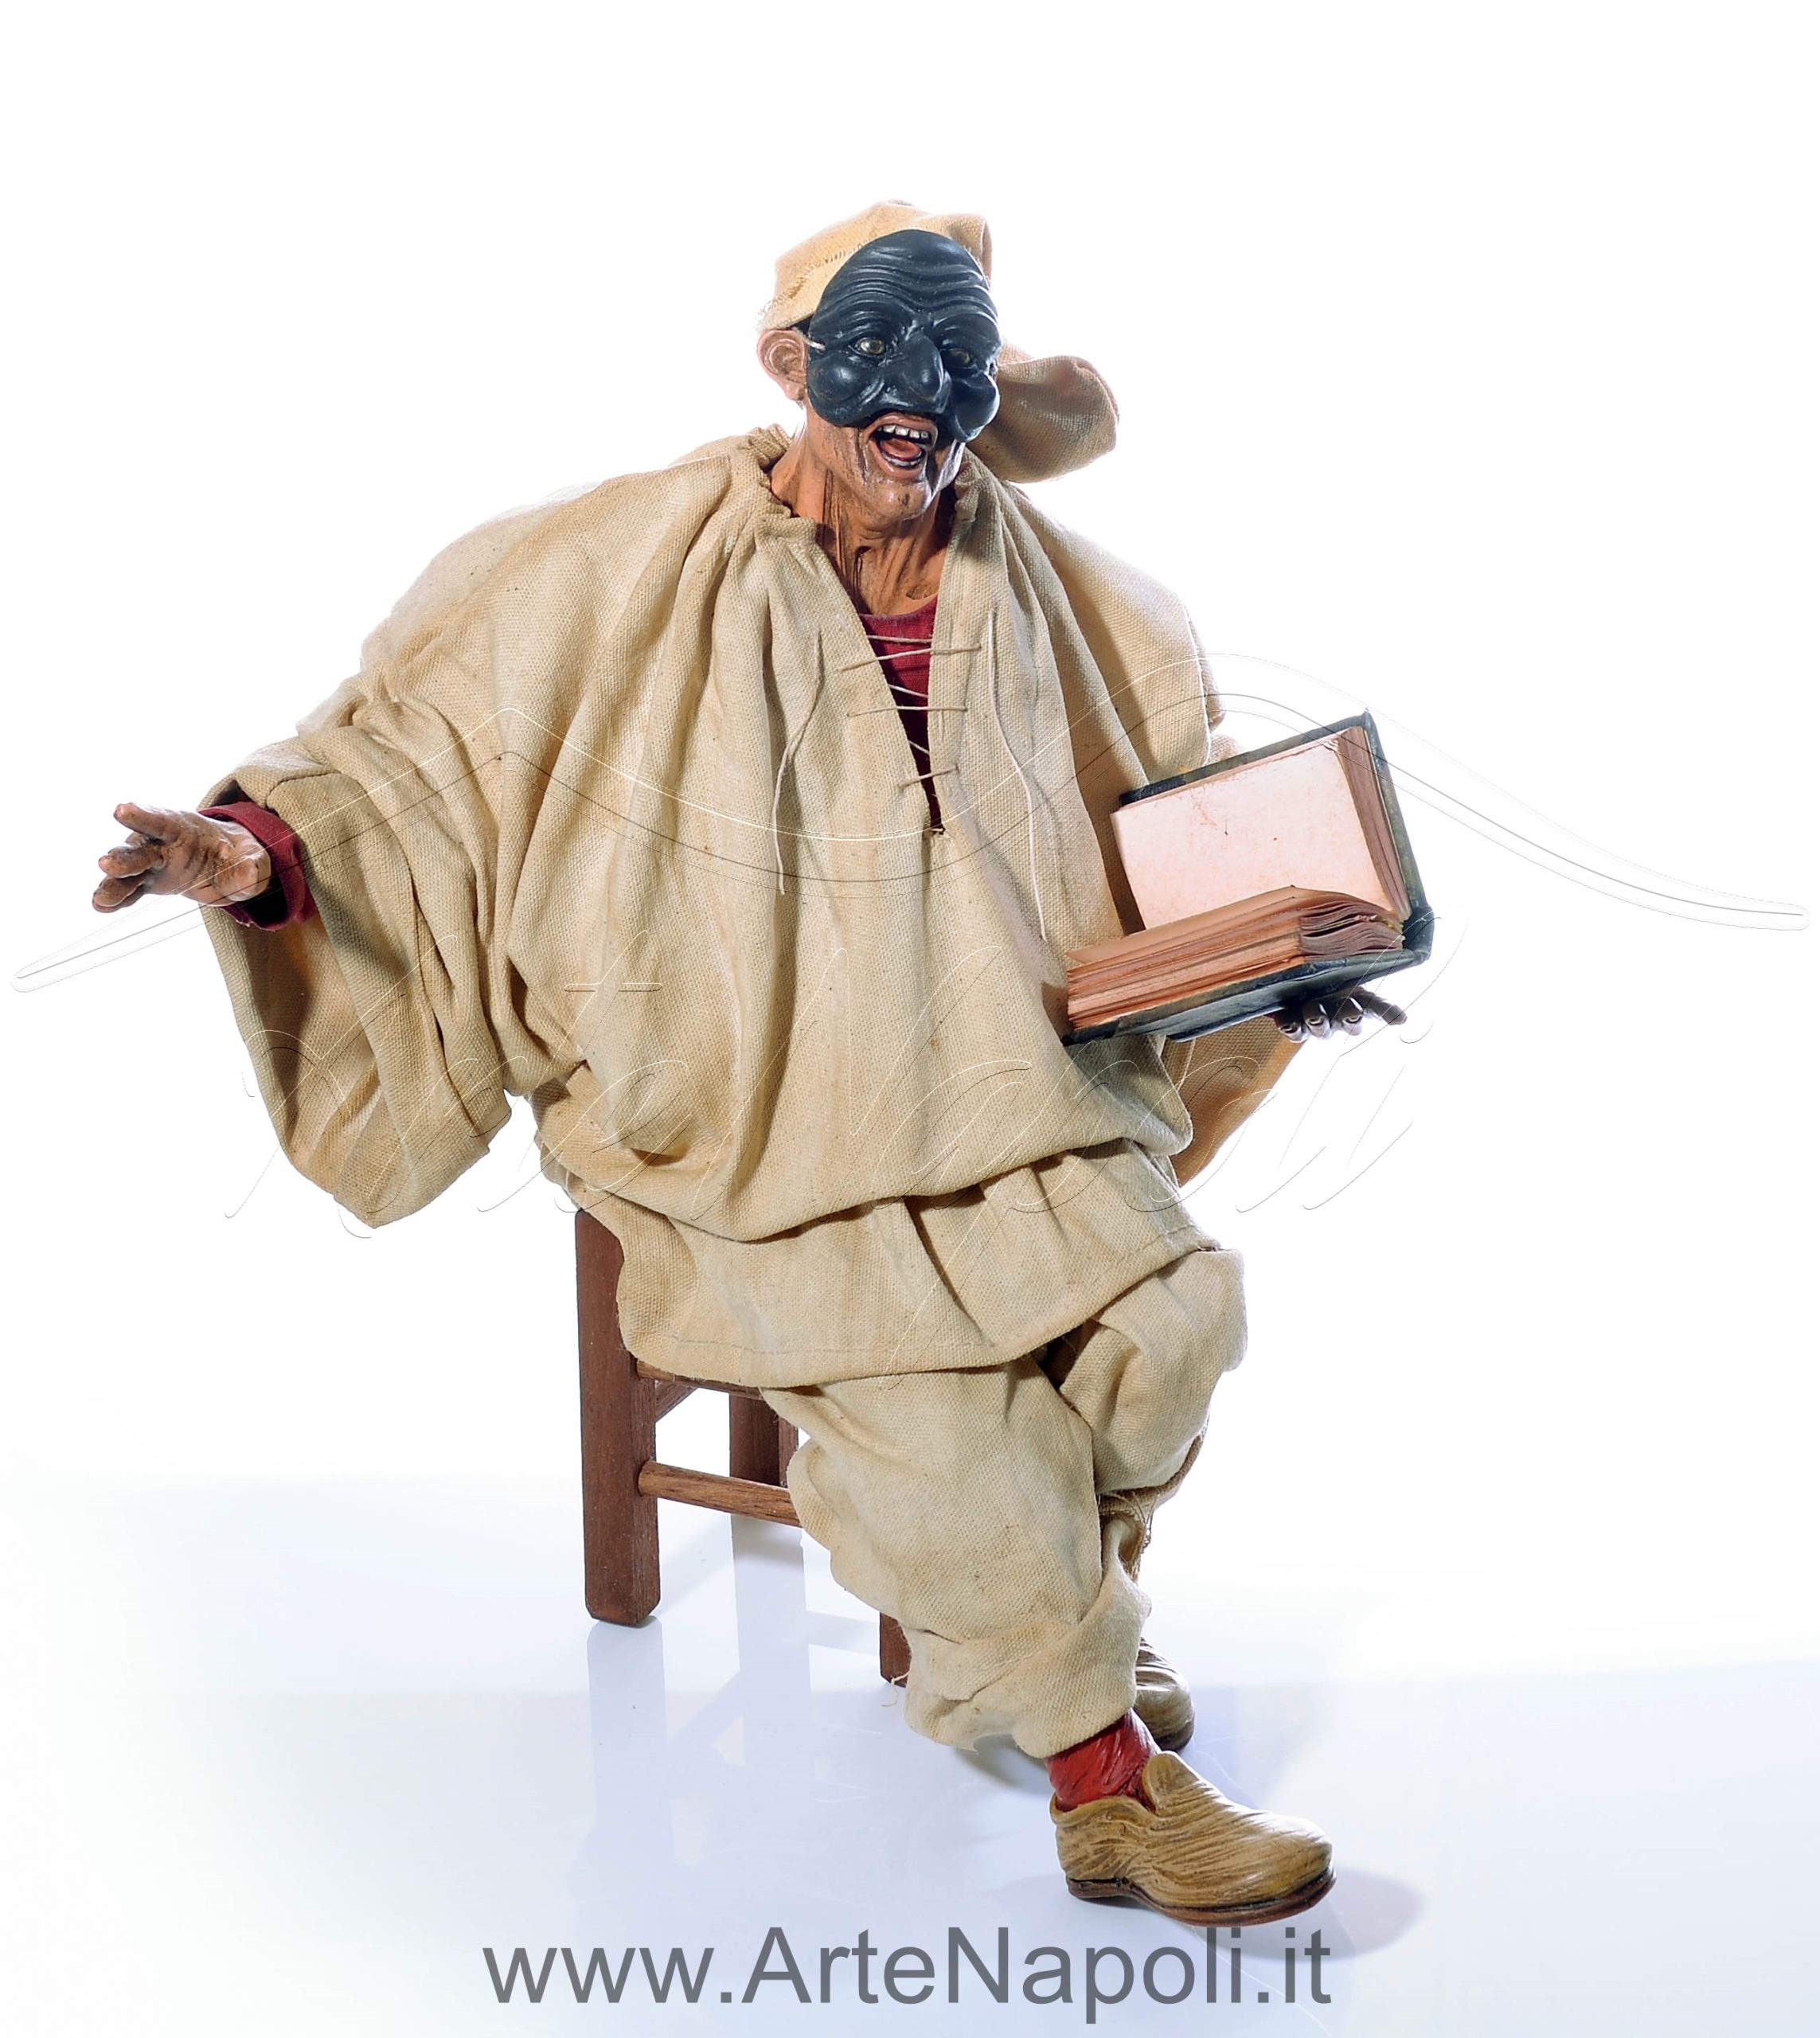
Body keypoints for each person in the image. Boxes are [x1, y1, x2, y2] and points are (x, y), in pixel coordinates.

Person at [91, 203, 1388, 1925]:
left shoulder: (1060, 583)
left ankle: (1051, 1624)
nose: (918, 418)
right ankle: (1103, 1780)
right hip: (746, 1119)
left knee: (1182, 1320)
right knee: (952, 1429)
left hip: (1013, 1089)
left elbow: (1161, 795)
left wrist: (1292, 936)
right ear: (793, 367)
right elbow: (415, 762)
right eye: (879, 373)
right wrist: (252, 857)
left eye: (955, 381)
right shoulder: (614, 562)